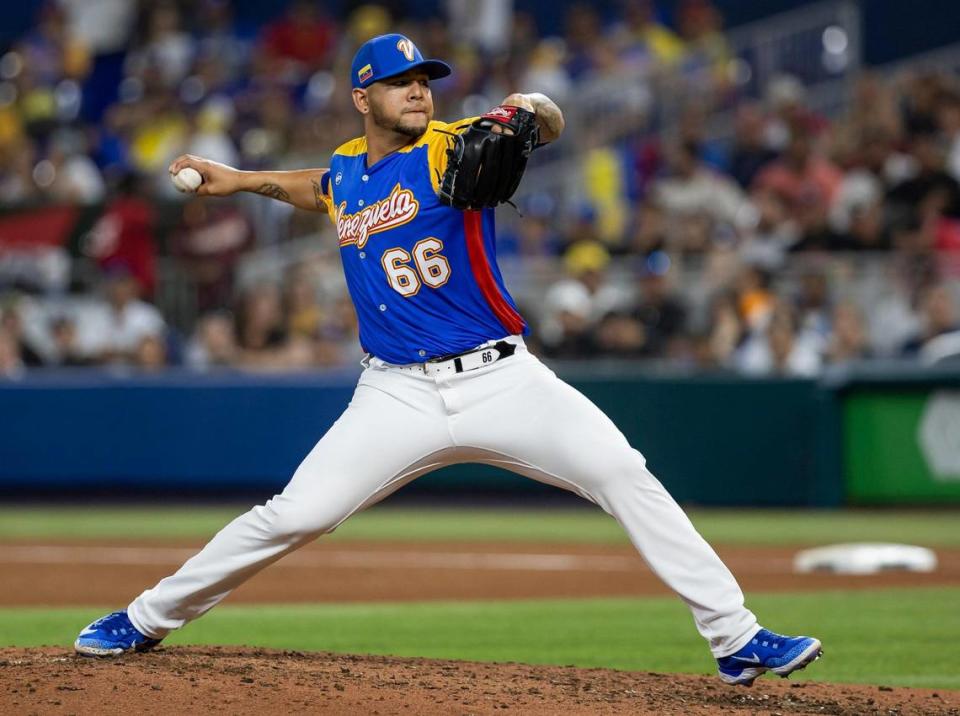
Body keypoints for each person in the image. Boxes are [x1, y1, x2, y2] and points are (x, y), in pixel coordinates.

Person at [74, 33, 822, 687]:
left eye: (425, 81)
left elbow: (543, 126)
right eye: (402, 83)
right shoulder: (347, 171)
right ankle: (144, 619)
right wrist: (238, 181)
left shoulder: (451, 147)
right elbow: (318, 187)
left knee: (623, 471)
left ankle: (736, 637)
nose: (419, 93)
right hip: (395, 394)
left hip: (504, 378)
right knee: (294, 514)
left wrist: (531, 107)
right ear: (362, 97)